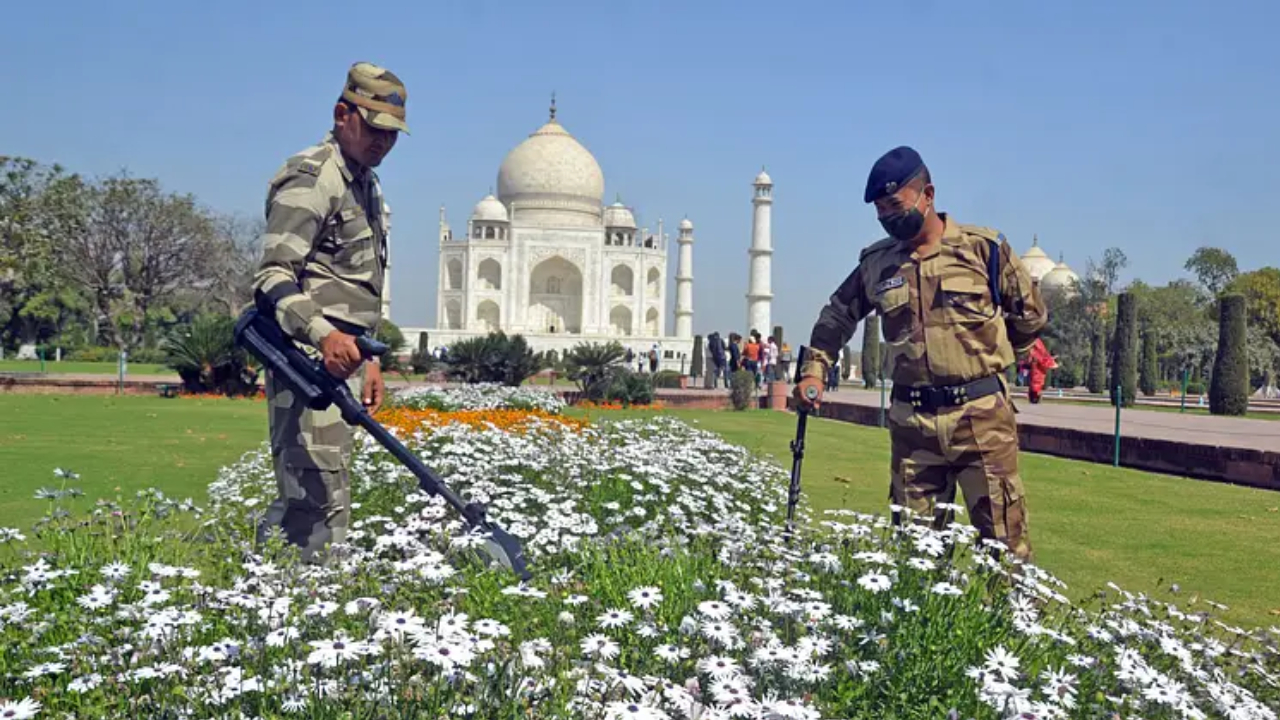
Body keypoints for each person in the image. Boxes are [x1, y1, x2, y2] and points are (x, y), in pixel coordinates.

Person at [793, 146, 1047, 563]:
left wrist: (1001, 356)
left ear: (928, 195)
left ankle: (1011, 609)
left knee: (1005, 551)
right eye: (880, 210)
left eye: (895, 205)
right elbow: (837, 315)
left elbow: (1030, 315)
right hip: (913, 427)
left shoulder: (983, 249)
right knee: (915, 556)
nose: (887, 216)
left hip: (981, 418)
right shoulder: (879, 264)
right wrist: (814, 371)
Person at [251, 61, 409, 564]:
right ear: (343, 115)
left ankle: (299, 588)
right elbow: (273, 277)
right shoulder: (313, 177)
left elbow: (358, 284)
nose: (383, 142)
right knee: (311, 498)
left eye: (392, 133)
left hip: (343, 362)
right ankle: (277, 594)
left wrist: (371, 358)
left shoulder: (364, 183)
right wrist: (324, 335)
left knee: (329, 489)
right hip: (307, 362)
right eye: (374, 128)